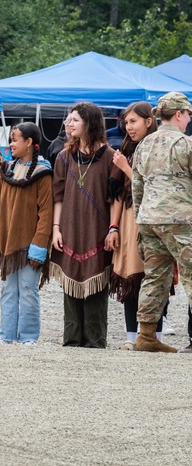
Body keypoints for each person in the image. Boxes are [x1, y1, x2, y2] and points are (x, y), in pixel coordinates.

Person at [130, 92, 192, 353]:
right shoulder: (186, 143)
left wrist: (139, 219)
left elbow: (137, 186)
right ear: (178, 114)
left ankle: (145, 335)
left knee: (155, 276)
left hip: (148, 219)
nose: (189, 118)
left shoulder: (143, 145)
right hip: (180, 219)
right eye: (188, 113)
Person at [50, 101, 114, 348]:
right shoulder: (64, 157)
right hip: (69, 227)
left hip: (98, 228)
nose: (69, 122)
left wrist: (113, 228)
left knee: (96, 282)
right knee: (71, 281)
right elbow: (58, 196)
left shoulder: (108, 156)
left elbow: (114, 197)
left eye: (75, 119)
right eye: (69, 118)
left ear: (90, 122)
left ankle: (95, 341)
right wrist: (56, 228)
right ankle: (72, 340)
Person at [0, 122, 54, 345]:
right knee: (7, 289)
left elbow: (46, 213)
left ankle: (28, 336)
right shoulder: (6, 170)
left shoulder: (42, 174)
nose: (11, 144)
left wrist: (39, 245)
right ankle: (5, 335)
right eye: (11, 139)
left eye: (15, 139)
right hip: (7, 241)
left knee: (28, 289)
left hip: (30, 243)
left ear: (30, 144)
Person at [106, 102, 164, 349]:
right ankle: (132, 337)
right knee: (130, 277)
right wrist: (113, 226)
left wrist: (125, 168)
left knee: (155, 277)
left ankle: (155, 337)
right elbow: (118, 195)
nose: (129, 127)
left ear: (149, 121)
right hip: (129, 221)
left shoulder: (158, 148)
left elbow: (153, 186)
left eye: (134, 121)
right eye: (126, 122)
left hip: (153, 220)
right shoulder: (126, 148)